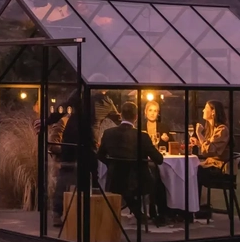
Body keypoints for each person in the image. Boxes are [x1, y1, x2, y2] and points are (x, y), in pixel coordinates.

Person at [97, 101, 165, 226]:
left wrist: (112, 164)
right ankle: (158, 214)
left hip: (115, 179)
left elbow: (100, 155)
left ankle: (136, 211)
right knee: (159, 178)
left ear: (121, 115)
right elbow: (159, 159)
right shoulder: (142, 136)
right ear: (136, 117)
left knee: (125, 184)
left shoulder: (109, 133)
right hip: (139, 181)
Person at [33, 89, 86, 228]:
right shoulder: (66, 119)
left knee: (78, 180)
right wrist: (47, 121)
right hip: (71, 149)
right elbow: (53, 144)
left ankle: (76, 212)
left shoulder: (85, 103)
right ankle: (58, 212)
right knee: (65, 179)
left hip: (80, 146)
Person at [192, 100, 230, 216]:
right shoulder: (212, 129)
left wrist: (199, 134)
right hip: (211, 165)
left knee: (193, 172)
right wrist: (199, 143)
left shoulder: (222, 130)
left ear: (213, 112)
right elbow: (209, 149)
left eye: (205, 108)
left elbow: (210, 150)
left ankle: (194, 208)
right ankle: (188, 208)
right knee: (189, 170)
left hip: (220, 168)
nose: (203, 110)